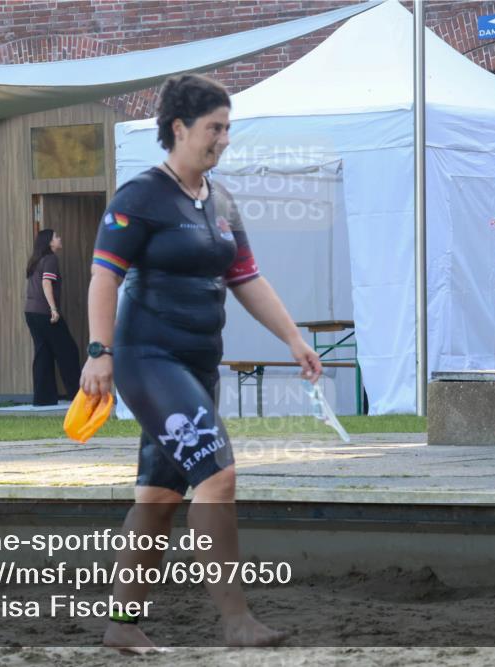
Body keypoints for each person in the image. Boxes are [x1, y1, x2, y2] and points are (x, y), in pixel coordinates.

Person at [80, 73, 323, 653]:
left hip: (197, 365)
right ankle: (237, 621)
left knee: (160, 498)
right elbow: (102, 278)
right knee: (218, 476)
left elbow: (246, 278)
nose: (224, 139)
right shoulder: (140, 197)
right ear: (179, 128)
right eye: (215, 128)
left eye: (228, 128)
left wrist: (294, 338)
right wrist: (99, 353)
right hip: (148, 359)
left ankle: (122, 623)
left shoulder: (221, 201)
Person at [24, 229, 81, 405]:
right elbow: (46, 283)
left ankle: (43, 398)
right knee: (68, 351)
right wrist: (53, 309)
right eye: (56, 236)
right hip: (44, 312)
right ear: (49, 242)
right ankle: (78, 396)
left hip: (31, 312)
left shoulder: (36, 260)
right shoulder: (50, 259)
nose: (59, 238)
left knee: (44, 353)